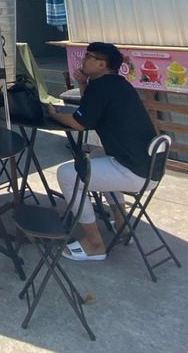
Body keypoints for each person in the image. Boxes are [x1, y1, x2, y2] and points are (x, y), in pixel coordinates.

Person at [48, 41, 157, 261]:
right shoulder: (116, 84)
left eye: (88, 56)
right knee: (98, 155)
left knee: (67, 175)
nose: (83, 60)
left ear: (101, 64)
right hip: (148, 167)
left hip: (132, 171)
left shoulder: (102, 86)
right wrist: (82, 82)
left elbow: (80, 122)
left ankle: (95, 244)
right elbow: (91, 109)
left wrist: (54, 114)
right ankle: (122, 223)